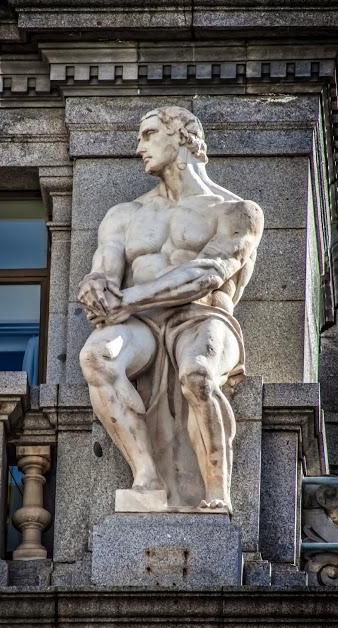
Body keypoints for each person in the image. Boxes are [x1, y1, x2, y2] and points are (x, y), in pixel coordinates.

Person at [78, 106, 264, 512]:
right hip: (141, 323)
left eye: (147, 135)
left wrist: (127, 299)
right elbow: (105, 271)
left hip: (204, 316)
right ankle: (146, 477)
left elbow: (207, 275)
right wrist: (97, 289)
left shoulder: (236, 211)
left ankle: (217, 490)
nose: (138, 146)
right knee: (96, 356)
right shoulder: (124, 215)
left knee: (198, 374)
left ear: (180, 136)